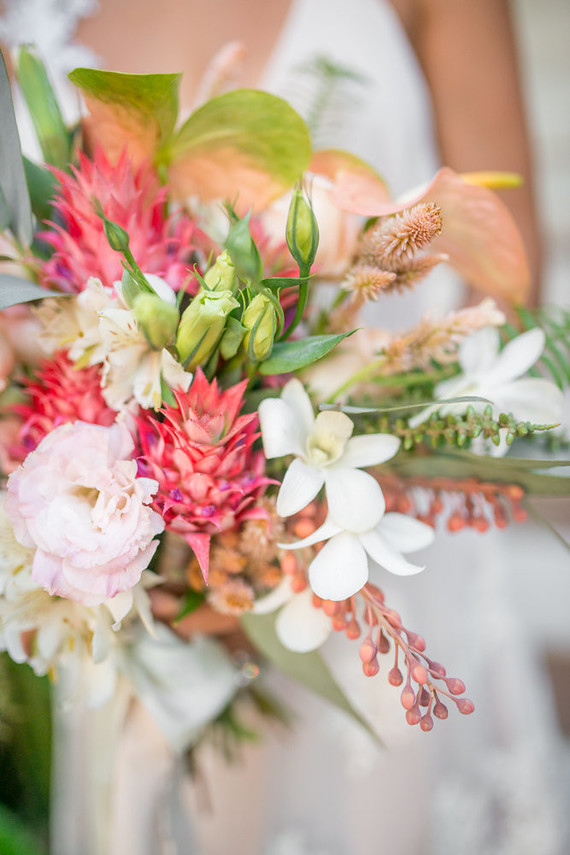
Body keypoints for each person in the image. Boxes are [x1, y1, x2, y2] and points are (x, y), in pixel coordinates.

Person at [1, 1, 567, 853]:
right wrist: (135, 546)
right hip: (135, 618)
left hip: (373, 555)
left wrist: (262, 527)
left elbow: (507, 271)